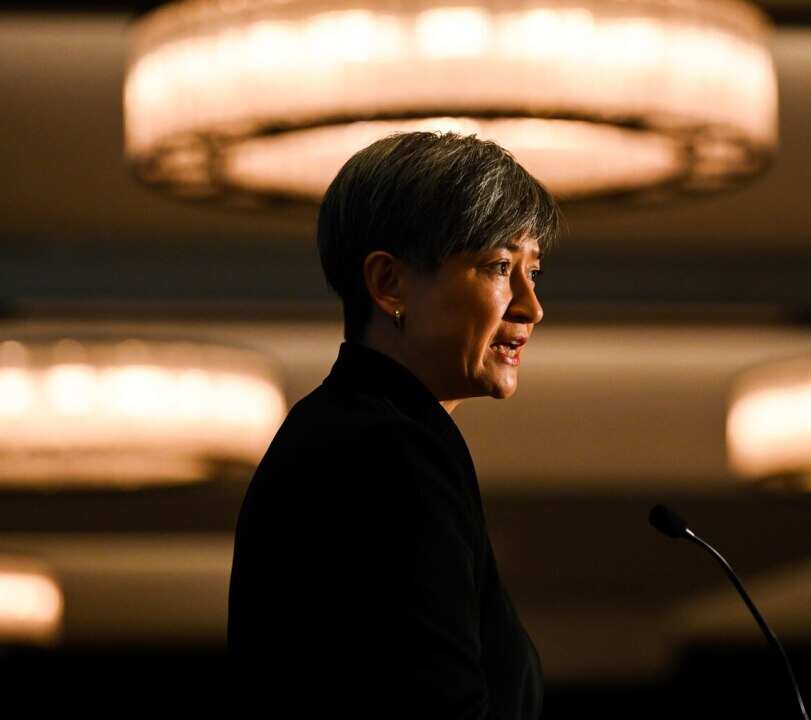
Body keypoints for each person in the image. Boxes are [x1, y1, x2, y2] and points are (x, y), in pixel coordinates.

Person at [227, 131, 561, 720]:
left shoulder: (351, 428)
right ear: (389, 284)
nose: (530, 307)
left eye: (532, 272)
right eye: (499, 266)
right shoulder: (387, 450)